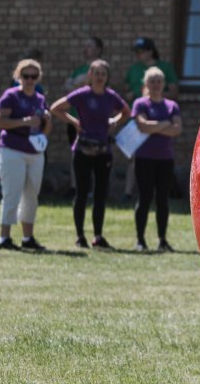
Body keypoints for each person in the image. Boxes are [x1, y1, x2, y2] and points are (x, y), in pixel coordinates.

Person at [50, 59, 130, 249]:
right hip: (83, 150)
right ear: (90, 76)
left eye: (103, 73)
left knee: (101, 195)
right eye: (96, 73)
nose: (100, 77)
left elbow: (126, 111)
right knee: (82, 193)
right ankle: (80, 236)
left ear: (107, 77)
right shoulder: (82, 95)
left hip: (103, 151)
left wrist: (115, 120)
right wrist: (74, 122)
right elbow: (55, 108)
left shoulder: (111, 96)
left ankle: (98, 236)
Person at [0, 59, 51, 252]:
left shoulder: (40, 98)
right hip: (12, 149)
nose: (29, 80)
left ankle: (28, 237)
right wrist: (24, 121)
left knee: (32, 195)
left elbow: (44, 129)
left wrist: (46, 121)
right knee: (12, 193)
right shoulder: (11, 96)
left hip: (34, 151)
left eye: (33, 76)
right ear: (19, 76)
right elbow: (0, 122)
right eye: (26, 76)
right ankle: (4, 237)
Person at [122, 38, 180, 202]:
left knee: (159, 157)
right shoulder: (134, 69)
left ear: (150, 51)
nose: (137, 55)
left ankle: (158, 193)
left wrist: (156, 97)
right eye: (136, 52)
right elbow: (126, 88)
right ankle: (129, 192)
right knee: (135, 156)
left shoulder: (165, 68)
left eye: (140, 51)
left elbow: (174, 91)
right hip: (140, 114)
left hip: (160, 113)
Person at [131, 67, 182, 252]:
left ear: (164, 84)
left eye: (159, 81)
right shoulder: (140, 104)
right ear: (146, 84)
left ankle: (162, 239)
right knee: (144, 198)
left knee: (163, 200)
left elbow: (177, 129)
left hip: (165, 159)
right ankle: (140, 240)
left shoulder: (171, 106)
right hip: (144, 158)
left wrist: (155, 127)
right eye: (152, 81)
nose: (155, 84)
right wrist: (165, 124)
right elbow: (142, 126)